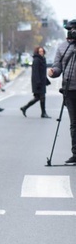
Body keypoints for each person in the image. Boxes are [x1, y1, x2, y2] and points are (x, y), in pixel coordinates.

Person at [48, 20, 76, 163]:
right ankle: (75, 153)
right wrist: (53, 72)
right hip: (69, 90)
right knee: (74, 123)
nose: (72, 32)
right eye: (70, 30)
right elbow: (57, 66)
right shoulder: (62, 47)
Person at [21, 46, 51, 118]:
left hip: (41, 81)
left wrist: (46, 80)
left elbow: (42, 72)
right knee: (42, 97)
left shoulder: (42, 59)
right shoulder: (37, 60)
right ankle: (43, 113)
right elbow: (36, 72)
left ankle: (24, 108)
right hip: (38, 82)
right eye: (40, 51)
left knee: (37, 98)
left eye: (42, 51)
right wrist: (38, 82)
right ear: (37, 52)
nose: (41, 52)